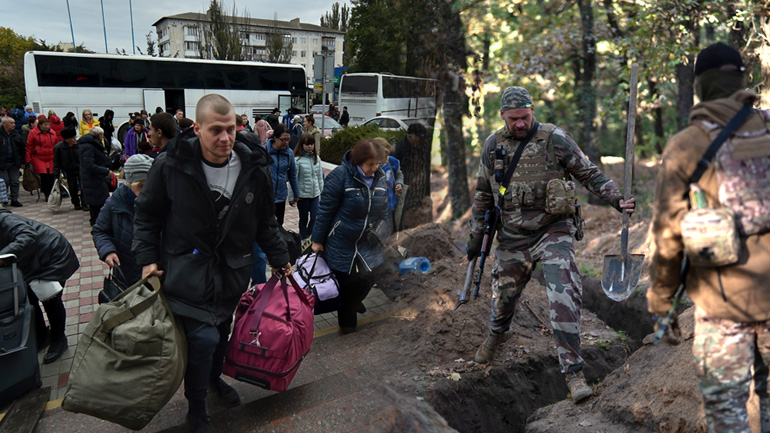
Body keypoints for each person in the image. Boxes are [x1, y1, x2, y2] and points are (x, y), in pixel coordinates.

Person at [132, 94, 292, 433]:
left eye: (231, 129)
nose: (225, 138)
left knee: (221, 335)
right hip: (186, 272)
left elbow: (265, 222)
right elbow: (147, 215)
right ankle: (197, 406)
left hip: (231, 274)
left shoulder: (253, 168)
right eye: (216, 130)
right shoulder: (171, 165)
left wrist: (280, 259)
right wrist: (147, 260)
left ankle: (213, 381)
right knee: (202, 340)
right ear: (198, 128)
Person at [467, 86, 635, 403]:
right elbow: (483, 194)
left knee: (563, 292)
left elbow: (588, 173)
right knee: (503, 299)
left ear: (533, 111)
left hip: (553, 230)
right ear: (502, 115)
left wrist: (617, 199)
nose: (520, 123)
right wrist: (476, 236)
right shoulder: (492, 146)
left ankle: (573, 373)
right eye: (514, 119)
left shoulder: (554, 138)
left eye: (525, 117)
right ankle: (497, 332)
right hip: (513, 236)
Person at [648, 43, 770, 432]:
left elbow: (669, 232)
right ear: (741, 80)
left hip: (722, 304)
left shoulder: (687, 145)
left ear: (700, 85)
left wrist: (662, 299)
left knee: (727, 412)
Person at [312, 139, 388, 332]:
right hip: (341, 240)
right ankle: (347, 328)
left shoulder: (380, 177)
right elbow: (325, 211)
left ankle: (353, 303)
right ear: (358, 162)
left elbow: (383, 210)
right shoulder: (340, 176)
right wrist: (317, 240)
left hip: (367, 240)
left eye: (377, 163)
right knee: (344, 283)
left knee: (375, 272)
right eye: (370, 164)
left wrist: (382, 233)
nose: (375, 168)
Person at [0, 209, 79, 363]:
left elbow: (28, 236)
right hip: (31, 262)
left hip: (51, 256)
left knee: (50, 299)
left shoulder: (3, 218)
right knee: (29, 298)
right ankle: (42, 335)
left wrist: (2, 258)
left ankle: (59, 339)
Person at [92, 154, 152, 288]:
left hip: (156, 271)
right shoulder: (114, 203)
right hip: (127, 273)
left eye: (150, 185)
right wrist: (107, 251)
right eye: (141, 186)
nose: (146, 191)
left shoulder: (159, 200)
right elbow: (100, 231)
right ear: (129, 184)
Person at [265, 124, 299, 226]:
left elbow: (292, 174)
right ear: (275, 138)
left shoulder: (289, 153)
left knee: (279, 225)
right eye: (283, 139)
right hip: (266, 196)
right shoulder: (265, 150)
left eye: (288, 140)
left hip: (281, 195)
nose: (286, 142)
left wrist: (296, 193)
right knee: (265, 226)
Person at [292, 133, 324, 240]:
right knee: (303, 218)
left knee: (315, 217)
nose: (310, 147)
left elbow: (319, 177)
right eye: (307, 144)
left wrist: (322, 192)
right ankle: (303, 237)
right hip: (302, 195)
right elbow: (294, 179)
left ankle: (309, 235)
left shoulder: (317, 159)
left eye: (311, 144)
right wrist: (292, 196)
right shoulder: (297, 160)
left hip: (315, 194)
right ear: (302, 145)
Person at [79, 127, 112, 226]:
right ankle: (96, 222)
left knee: (99, 200)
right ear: (99, 136)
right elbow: (89, 165)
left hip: (94, 177)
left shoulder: (91, 144)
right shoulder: (89, 147)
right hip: (92, 178)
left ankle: (99, 221)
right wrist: (106, 171)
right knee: (96, 201)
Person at [371, 137, 403, 232]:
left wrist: (399, 184)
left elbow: (399, 175)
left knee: (388, 233)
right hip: (375, 207)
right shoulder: (372, 164)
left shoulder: (393, 162)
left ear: (385, 152)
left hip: (390, 205)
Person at [26, 115, 59, 201]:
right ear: (40, 125)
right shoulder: (33, 133)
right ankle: (47, 194)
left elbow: (56, 144)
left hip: (51, 157)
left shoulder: (53, 132)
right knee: (44, 176)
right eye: (45, 125)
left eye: (48, 125)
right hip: (38, 157)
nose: (47, 127)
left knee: (52, 176)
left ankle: (52, 193)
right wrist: (28, 160)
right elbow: (29, 146)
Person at [53, 127, 83, 210]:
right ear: (66, 139)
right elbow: (56, 162)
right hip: (69, 171)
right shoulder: (59, 147)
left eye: (74, 137)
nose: (74, 139)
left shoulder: (80, 145)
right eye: (71, 138)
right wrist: (56, 175)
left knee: (83, 186)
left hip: (80, 169)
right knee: (72, 188)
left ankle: (84, 203)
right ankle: (76, 203)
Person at [0, 116, 24, 207]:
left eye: (14, 123)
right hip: (2, 163)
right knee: (4, 181)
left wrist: (23, 161)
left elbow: (22, 148)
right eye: (11, 123)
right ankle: (4, 199)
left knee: (15, 181)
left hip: (14, 162)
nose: (14, 124)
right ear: (4, 124)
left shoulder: (16, 134)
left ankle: (14, 199)